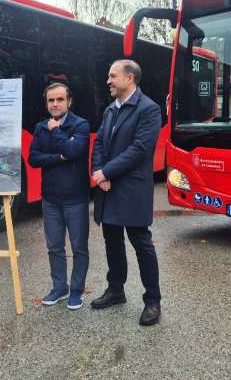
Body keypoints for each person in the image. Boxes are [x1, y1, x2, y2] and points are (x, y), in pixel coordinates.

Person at [90, 59, 163, 326]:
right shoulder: (111, 109)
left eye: (112, 76)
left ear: (130, 78)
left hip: (131, 189)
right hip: (108, 187)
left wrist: (106, 172)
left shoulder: (149, 109)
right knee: (112, 241)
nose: (108, 81)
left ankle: (153, 301)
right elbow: (98, 143)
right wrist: (100, 173)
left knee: (141, 243)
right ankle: (116, 290)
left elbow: (140, 149)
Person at [28, 82, 90, 310]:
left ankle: (76, 291)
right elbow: (33, 158)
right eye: (50, 100)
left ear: (69, 101)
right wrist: (58, 158)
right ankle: (59, 287)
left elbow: (73, 151)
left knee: (79, 247)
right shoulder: (40, 127)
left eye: (59, 99)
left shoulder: (80, 125)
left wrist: (56, 132)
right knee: (54, 246)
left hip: (76, 198)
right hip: (50, 198)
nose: (54, 104)